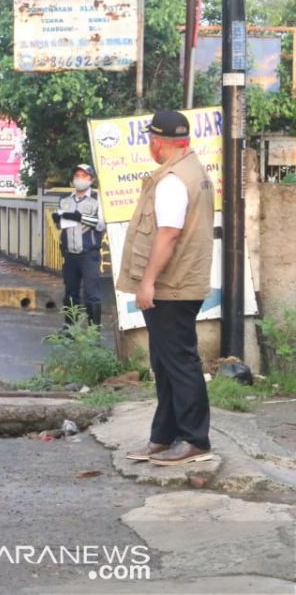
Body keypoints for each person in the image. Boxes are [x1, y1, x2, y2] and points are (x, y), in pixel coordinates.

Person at [116, 110, 215, 467]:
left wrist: (147, 282)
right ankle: (165, 437)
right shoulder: (193, 170)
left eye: (150, 140)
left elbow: (169, 234)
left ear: (157, 143)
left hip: (173, 285)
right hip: (181, 282)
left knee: (179, 363)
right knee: (166, 362)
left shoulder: (174, 179)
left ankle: (194, 440)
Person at [52, 163, 107, 331]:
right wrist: (59, 219)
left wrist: (79, 217)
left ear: (91, 179)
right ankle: (69, 329)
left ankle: (93, 332)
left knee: (92, 295)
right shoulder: (65, 200)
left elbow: (101, 225)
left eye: (84, 176)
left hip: (89, 254)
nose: (80, 179)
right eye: (77, 175)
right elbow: (60, 224)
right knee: (70, 293)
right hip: (70, 254)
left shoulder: (98, 199)